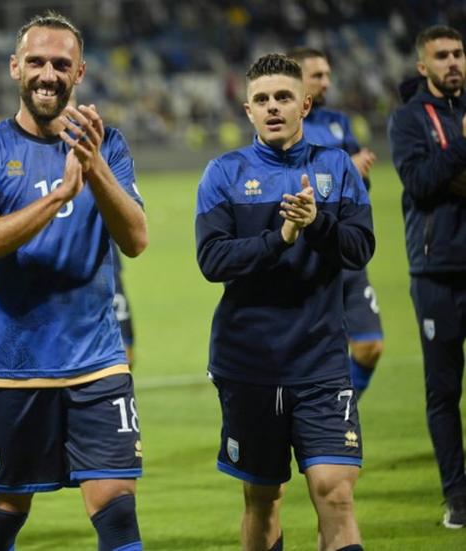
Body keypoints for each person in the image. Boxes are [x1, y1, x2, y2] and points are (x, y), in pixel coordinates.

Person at [0, 12, 148, 551]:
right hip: (12, 369)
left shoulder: (108, 145)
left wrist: (96, 169)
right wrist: (60, 195)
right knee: (3, 515)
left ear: (78, 72)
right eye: (36, 62)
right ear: (15, 67)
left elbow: (135, 239)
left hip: (96, 363)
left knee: (117, 514)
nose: (47, 74)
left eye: (60, 64)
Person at [195, 54, 374, 551]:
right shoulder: (223, 173)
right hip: (249, 361)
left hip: (320, 360)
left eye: (283, 97)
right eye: (262, 100)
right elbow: (212, 260)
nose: (273, 107)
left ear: (306, 105)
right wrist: (282, 236)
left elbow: (361, 248)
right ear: (248, 111)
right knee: (264, 497)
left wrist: (317, 224)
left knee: (334, 493)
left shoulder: (336, 168)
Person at [387, 24, 466, 529]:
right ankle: (458, 496)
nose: (453, 62)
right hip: (437, 270)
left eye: (458, 53)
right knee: (443, 389)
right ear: (423, 66)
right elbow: (419, 182)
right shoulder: (409, 120)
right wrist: (462, 146)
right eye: (442, 56)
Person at [289, 47, 384, 396]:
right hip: (309, 255)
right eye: (317, 75)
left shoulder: (339, 122)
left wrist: (357, 173)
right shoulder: (287, 125)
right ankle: (320, 418)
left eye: (327, 74)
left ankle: (339, 409)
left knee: (369, 345)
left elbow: (359, 183)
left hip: (346, 249)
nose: (326, 81)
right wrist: (346, 166)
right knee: (311, 355)